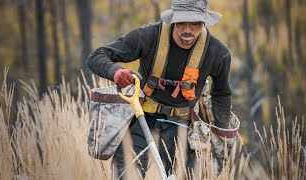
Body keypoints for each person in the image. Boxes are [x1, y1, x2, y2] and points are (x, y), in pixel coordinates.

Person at [88, 0, 234, 178]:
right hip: (143, 120)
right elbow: (97, 56)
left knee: (193, 175)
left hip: (185, 128)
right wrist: (116, 73)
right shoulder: (148, 37)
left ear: (203, 22)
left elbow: (222, 95)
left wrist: (221, 135)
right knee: (126, 175)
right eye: (182, 23)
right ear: (173, 20)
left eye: (195, 23)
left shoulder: (218, 52)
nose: (188, 30)